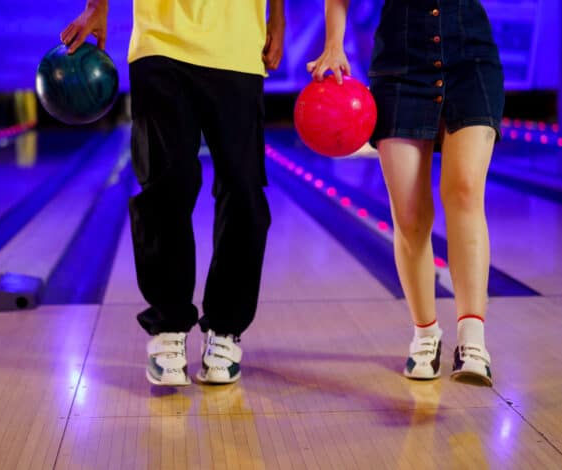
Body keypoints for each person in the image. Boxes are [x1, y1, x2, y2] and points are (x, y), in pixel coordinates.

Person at [61, 0, 285, 386]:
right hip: (160, 43)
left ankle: (225, 328)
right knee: (166, 186)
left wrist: (277, 17)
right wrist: (96, 6)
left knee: (244, 192)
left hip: (237, 50)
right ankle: (168, 325)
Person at [309, 0, 504, 385]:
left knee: (464, 189)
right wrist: (334, 43)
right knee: (410, 215)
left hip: (472, 60)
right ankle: (426, 332)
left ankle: (472, 339)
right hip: (399, 69)